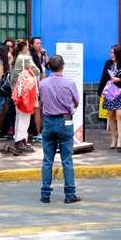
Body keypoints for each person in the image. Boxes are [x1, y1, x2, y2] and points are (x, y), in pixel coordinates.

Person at [39, 54, 81, 204]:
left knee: (47, 160)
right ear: (63, 67)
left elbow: (42, 100)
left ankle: (45, 194)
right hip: (65, 121)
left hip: (49, 121)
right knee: (67, 160)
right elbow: (76, 103)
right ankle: (70, 194)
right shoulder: (69, 84)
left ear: (49, 67)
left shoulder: (43, 83)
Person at [11, 39, 40, 153]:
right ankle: (20, 141)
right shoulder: (25, 58)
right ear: (24, 47)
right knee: (25, 116)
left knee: (19, 116)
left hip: (17, 90)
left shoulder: (16, 58)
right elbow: (37, 71)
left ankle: (20, 140)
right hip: (25, 91)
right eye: (27, 46)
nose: (28, 48)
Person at [98, 45, 121, 151]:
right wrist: (99, 93)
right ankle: (113, 139)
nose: (111, 54)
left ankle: (120, 139)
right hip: (110, 92)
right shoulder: (108, 63)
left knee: (120, 114)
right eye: (110, 52)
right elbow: (103, 77)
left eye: (113, 52)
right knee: (111, 115)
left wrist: (119, 80)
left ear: (118, 53)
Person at [29, 37, 47, 144]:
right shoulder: (40, 67)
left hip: (27, 90)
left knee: (25, 113)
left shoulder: (26, 65)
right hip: (37, 91)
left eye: (40, 43)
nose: (39, 45)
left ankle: (22, 134)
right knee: (37, 112)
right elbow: (43, 81)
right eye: (37, 43)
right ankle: (38, 133)